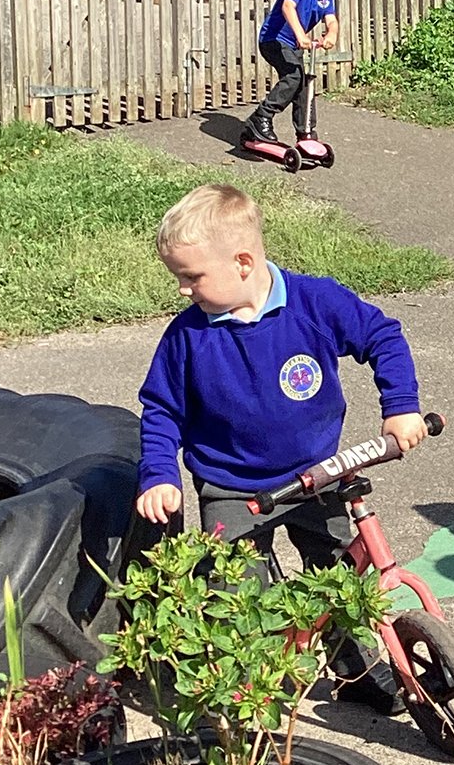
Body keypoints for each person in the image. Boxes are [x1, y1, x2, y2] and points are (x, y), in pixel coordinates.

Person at [133, 184, 428, 705]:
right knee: (239, 591)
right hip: (232, 486)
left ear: (243, 262)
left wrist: (400, 405)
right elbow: (161, 410)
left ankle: (355, 669)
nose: (184, 290)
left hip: (319, 473)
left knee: (337, 574)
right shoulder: (187, 336)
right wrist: (159, 474)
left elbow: (382, 336)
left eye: (192, 276)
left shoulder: (314, 302)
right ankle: (251, 689)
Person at [243, 0, 340, 149]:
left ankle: (306, 132)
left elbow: (331, 20)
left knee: (305, 83)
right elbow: (288, 7)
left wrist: (331, 34)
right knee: (294, 76)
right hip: (273, 40)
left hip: (293, 44)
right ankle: (261, 117)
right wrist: (301, 35)